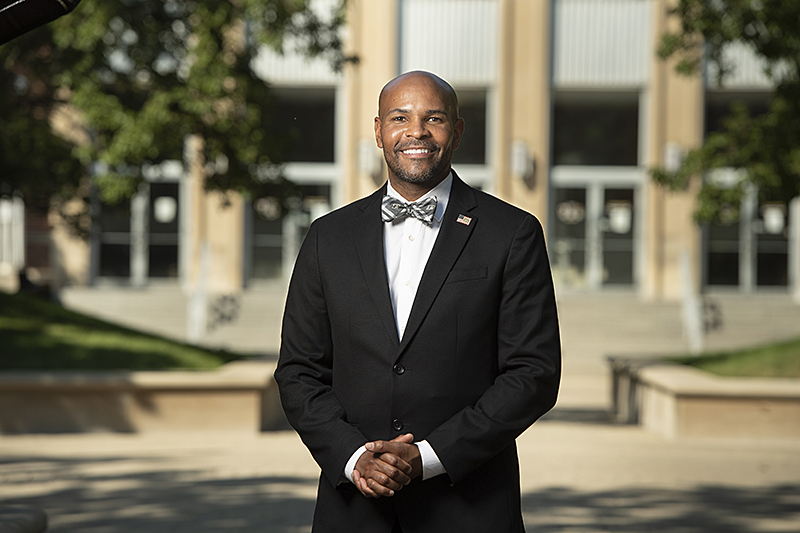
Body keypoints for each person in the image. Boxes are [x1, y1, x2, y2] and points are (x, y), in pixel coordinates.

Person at [275, 70, 561, 533]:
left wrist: (428, 457)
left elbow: (534, 373)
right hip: (353, 511)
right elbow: (299, 370)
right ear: (378, 130)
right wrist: (353, 459)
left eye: (434, 118)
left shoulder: (511, 233)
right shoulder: (328, 237)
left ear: (458, 131)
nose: (416, 132)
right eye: (399, 118)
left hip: (470, 509)